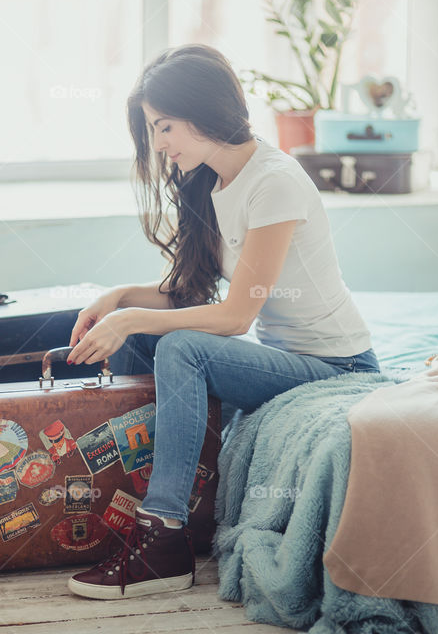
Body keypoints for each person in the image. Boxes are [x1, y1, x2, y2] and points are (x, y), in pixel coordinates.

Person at [63, 44, 380, 600]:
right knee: (161, 338)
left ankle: (162, 538)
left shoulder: (274, 180)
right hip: (290, 361)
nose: (159, 144)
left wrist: (135, 318)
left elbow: (235, 316)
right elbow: (192, 292)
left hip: (339, 367)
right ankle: (159, 515)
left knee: (182, 348)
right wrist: (118, 300)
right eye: (153, 132)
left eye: (164, 128)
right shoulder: (214, 183)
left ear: (204, 112)